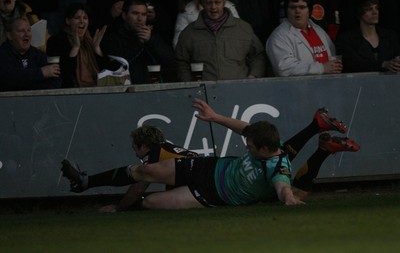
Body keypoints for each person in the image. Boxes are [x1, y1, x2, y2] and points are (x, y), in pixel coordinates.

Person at [62, 98, 359, 210]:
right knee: (144, 171)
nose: (246, 145)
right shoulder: (264, 143)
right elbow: (245, 128)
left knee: (151, 202)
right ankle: (85, 181)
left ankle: (320, 145)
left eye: (251, 146)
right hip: (206, 168)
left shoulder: (277, 166)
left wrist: (288, 198)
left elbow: (282, 185)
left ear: (264, 150)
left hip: (211, 197)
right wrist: (215, 116)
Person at [61, 125, 198, 212]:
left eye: (135, 148)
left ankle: (86, 181)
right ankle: (86, 181)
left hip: (198, 185)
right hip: (204, 179)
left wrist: (119, 207)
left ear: (144, 146)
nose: (135, 153)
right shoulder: (169, 150)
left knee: (147, 197)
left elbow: (139, 187)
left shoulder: (155, 153)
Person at [101, 0, 176, 84]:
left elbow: (171, 61)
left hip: (153, 90)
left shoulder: (151, 36)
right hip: (126, 92)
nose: (140, 19)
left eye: (144, 14)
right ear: (124, 15)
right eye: (135, 13)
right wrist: (138, 42)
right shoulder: (113, 38)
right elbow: (116, 66)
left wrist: (151, 41)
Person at [266, 0, 342, 77]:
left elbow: (332, 53)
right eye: (292, 7)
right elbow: (284, 68)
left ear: (309, 11)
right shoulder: (279, 36)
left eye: (302, 7)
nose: (297, 11)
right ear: (286, 11)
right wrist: (322, 68)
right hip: (297, 89)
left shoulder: (318, 30)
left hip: (326, 85)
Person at [46, 3, 109, 88]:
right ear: (68, 21)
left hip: (97, 89)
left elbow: (106, 71)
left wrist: (97, 49)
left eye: (85, 18)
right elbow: (59, 72)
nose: (82, 21)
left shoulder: (92, 41)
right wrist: (75, 48)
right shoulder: (55, 42)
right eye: (77, 18)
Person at [335, 0, 400, 73]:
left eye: (376, 8)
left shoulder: (390, 36)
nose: (375, 12)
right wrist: (383, 64)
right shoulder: (346, 39)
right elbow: (354, 64)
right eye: (369, 9)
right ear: (359, 13)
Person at [0, 18, 61, 91]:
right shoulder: (2, 54)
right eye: (21, 31)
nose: (26, 34)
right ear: (9, 35)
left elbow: (55, 80)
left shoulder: (39, 55)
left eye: (29, 30)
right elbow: (9, 77)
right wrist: (41, 73)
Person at [172, 0, 239, 48]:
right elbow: (179, 44)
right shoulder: (188, 11)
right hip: (198, 59)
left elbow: (239, 37)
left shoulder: (229, 8)